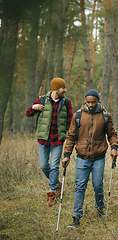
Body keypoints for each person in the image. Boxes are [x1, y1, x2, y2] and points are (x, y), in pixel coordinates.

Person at [62, 89, 118, 229]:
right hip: (82, 157)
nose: (91, 104)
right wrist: (66, 155)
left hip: (99, 157)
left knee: (98, 185)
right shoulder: (78, 115)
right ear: (85, 101)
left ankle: (100, 208)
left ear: (98, 101)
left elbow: (112, 134)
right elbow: (70, 137)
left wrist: (114, 147)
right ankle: (76, 217)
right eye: (88, 102)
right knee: (80, 186)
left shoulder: (105, 115)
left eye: (93, 102)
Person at [26, 78, 73, 207]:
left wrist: (71, 136)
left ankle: (52, 193)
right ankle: (57, 184)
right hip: (43, 139)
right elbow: (28, 113)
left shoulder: (66, 102)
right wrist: (34, 107)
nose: (65, 90)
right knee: (43, 166)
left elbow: (70, 121)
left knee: (54, 166)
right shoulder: (42, 100)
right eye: (63, 88)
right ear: (55, 89)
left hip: (57, 140)